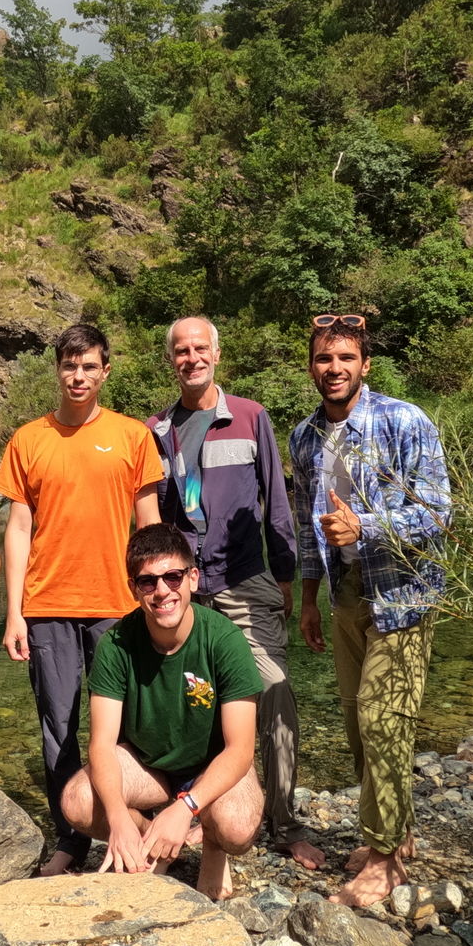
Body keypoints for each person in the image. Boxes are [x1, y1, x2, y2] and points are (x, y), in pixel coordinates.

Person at [146, 316, 322, 871]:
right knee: (193, 698)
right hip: (184, 589)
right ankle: (200, 808)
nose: (191, 357)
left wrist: (286, 578)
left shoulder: (249, 417)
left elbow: (276, 501)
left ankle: (285, 822)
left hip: (245, 580)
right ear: (171, 360)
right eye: (181, 350)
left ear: (217, 354)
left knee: (273, 688)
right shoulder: (156, 431)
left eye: (200, 348)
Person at [290, 315, 450, 908]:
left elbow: (438, 511)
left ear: (365, 365)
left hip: (402, 592)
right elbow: (308, 526)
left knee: (385, 721)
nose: (334, 369)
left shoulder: (404, 420)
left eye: (345, 358)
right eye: (324, 359)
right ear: (312, 367)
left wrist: (367, 526)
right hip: (345, 594)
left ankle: (384, 858)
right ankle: (395, 831)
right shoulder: (305, 436)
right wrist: (308, 599)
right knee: (360, 723)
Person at [0, 323, 163, 875]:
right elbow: (18, 529)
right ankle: (71, 838)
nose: (78, 376)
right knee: (59, 725)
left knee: (131, 722)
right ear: (58, 371)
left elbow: (149, 523)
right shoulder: (28, 440)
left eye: (89, 366)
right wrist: (14, 613)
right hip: (47, 606)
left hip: (119, 604)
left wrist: (157, 593)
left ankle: (138, 824)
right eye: (69, 365)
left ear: (105, 372)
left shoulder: (133, 436)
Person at [60, 524, 264, 901]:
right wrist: (119, 819)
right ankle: (150, 839)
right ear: (133, 588)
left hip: (210, 765)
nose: (162, 591)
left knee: (236, 827)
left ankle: (212, 844)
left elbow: (240, 750)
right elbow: (101, 744)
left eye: (173, 577)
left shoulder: (225, 641)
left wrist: (186, 807)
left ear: (193, 578)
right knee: (78, 801)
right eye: (147, 581)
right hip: (148, 767)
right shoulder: (116, 645)